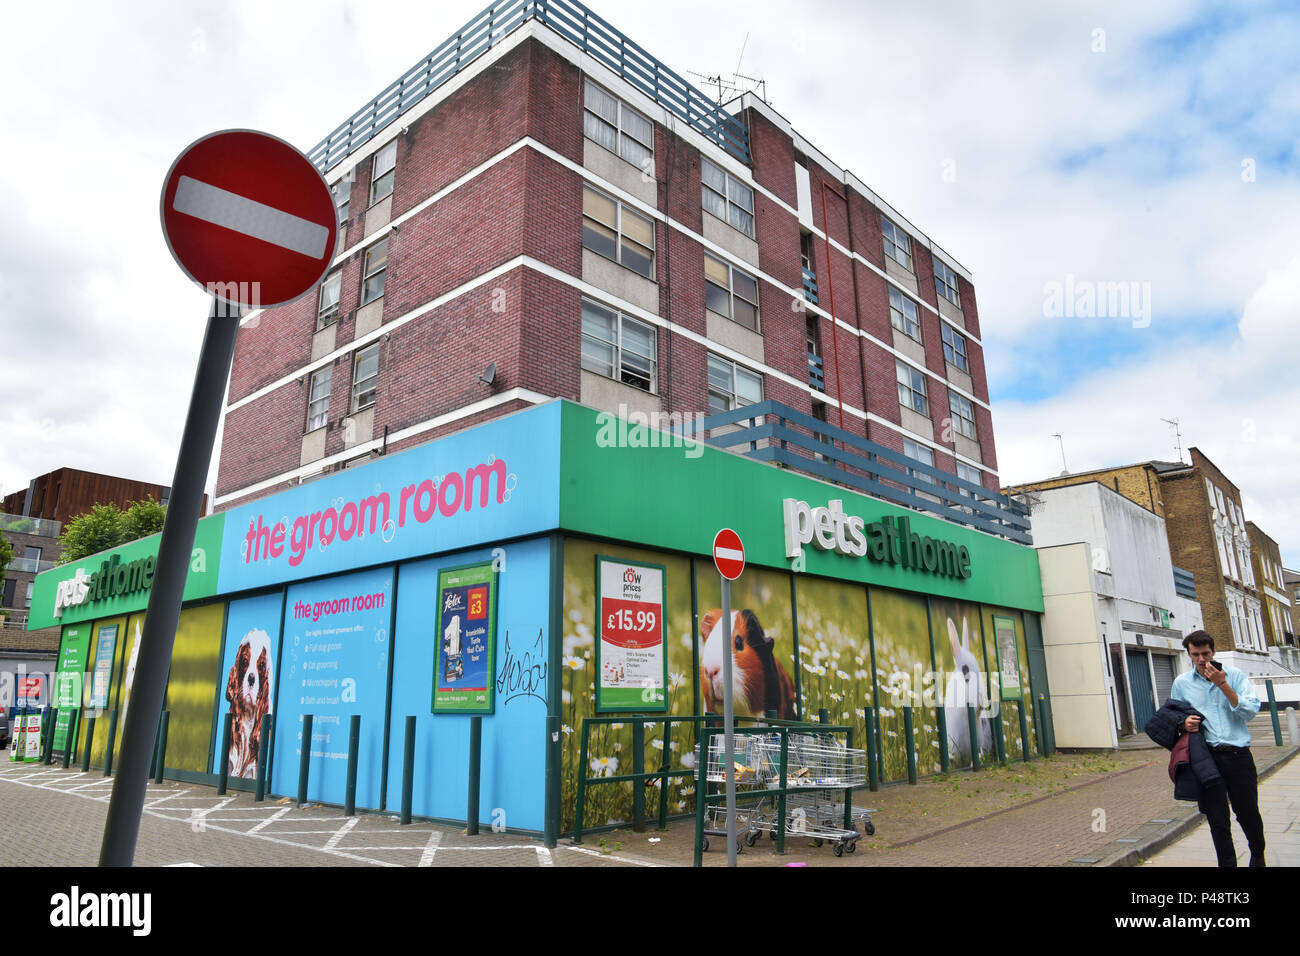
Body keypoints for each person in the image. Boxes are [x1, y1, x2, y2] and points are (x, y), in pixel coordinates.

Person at [1170, 630, 1265, 867]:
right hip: (1206, 758)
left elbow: (1250, 711)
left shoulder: (1234, 675)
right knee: (1217, 818)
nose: (1202, 659)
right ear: (1189, 655)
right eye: (1196, 654)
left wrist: (1222, 684)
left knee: (1248, 813)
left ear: (1213, 652)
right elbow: (1172, 716)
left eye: (1205, 653)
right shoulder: (1182, 684)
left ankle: (1258, 855)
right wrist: (1183, 723)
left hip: (1238, 755)